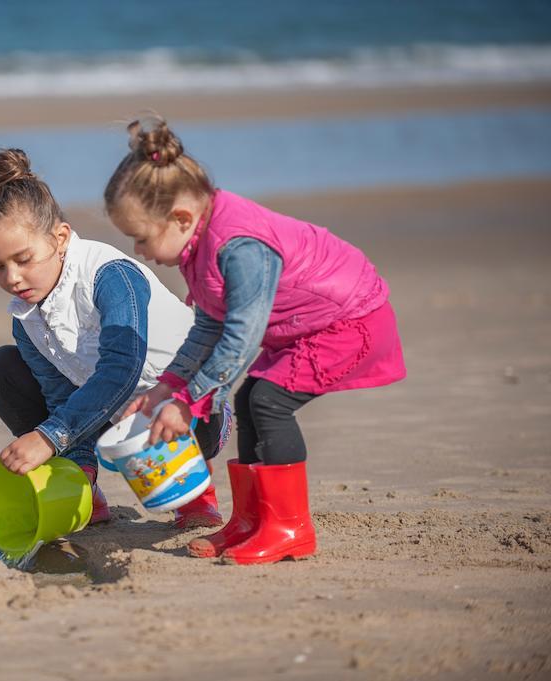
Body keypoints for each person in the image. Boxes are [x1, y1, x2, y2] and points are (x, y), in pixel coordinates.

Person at [105, 116, 406, 563]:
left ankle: (288, 527)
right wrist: (168, 386)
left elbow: (241, 338)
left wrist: (190, 401)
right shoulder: (198, 242)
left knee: (268, 401)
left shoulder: (238, 247)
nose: (140, 252)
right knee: (248, 401)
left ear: (181, 217)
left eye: (142, 238)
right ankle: (250, 520)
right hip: (304, 325)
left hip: (349, 321)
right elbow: (208, 326)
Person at [0, 148, 231, 527]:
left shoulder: (110, 276)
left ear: (60, 238)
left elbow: (122, 368)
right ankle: (83, 487)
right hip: (107, 411)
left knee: (177, 405)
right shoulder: (25, 317)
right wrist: (75, 460)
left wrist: (47, 438)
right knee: (2, 370)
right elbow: (59, 394)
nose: (12, 278)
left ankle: (196, 494)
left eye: (23, 259)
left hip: (186, 407)